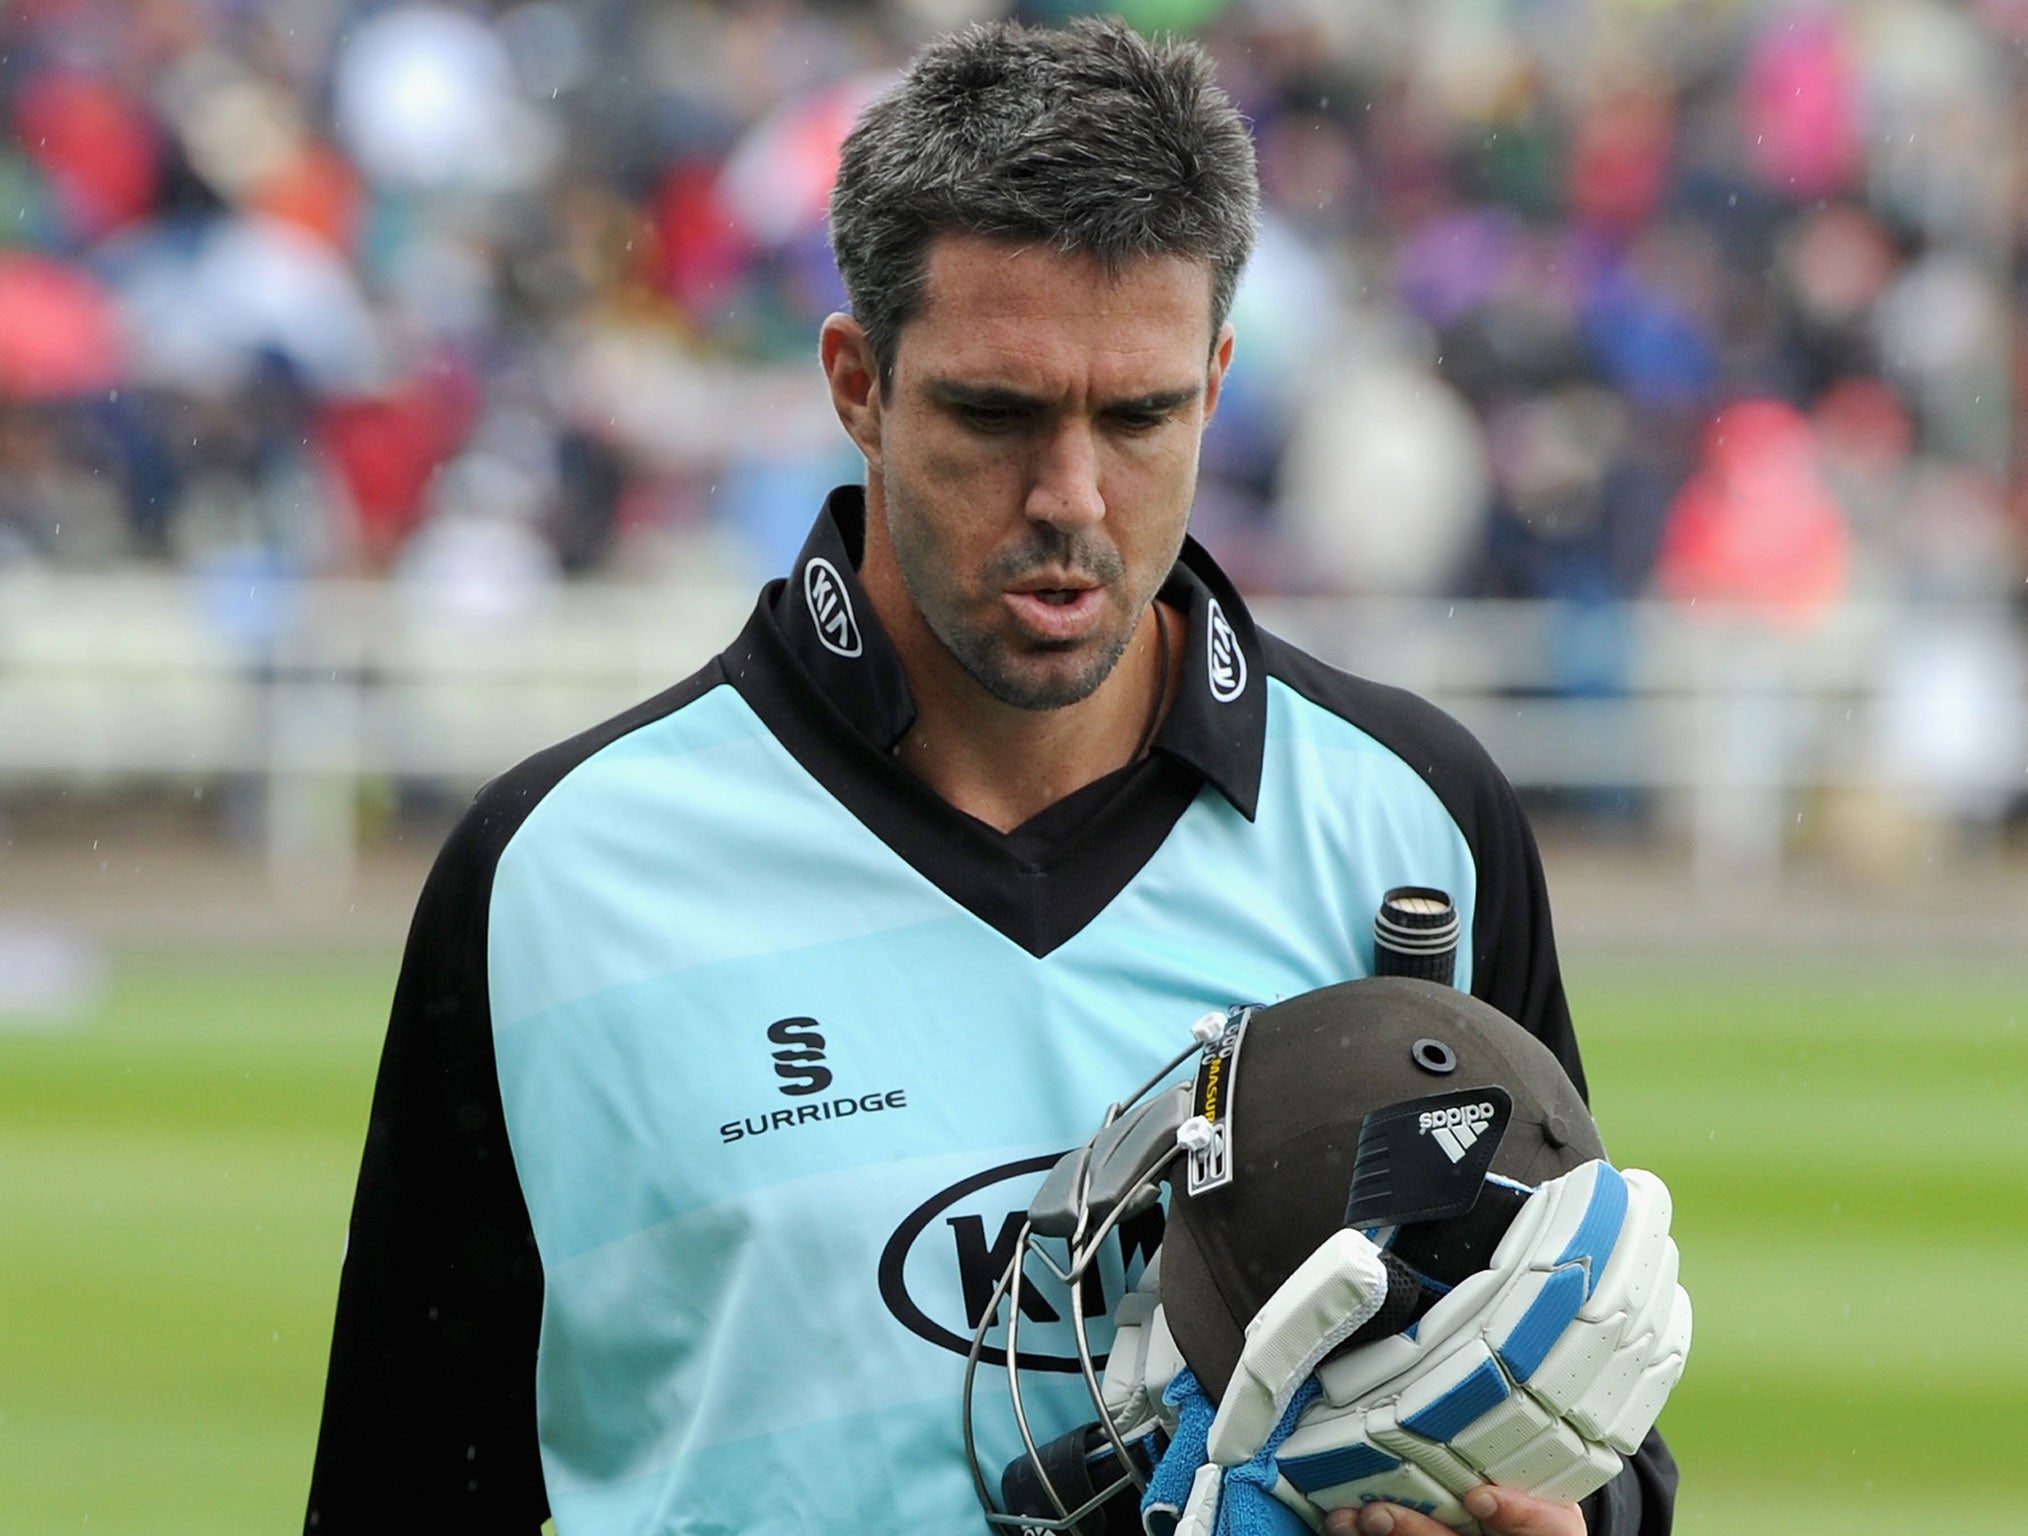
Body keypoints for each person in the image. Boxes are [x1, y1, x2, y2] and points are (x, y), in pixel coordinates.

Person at [304, 19, 1676, 1536]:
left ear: (1217, 382)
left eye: (1141, 415)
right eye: (996, 414)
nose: (1071, 500)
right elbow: (403, 1490)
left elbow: (1591, 1417)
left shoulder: (1415, 816)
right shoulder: (552, 872)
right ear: (857, 385)